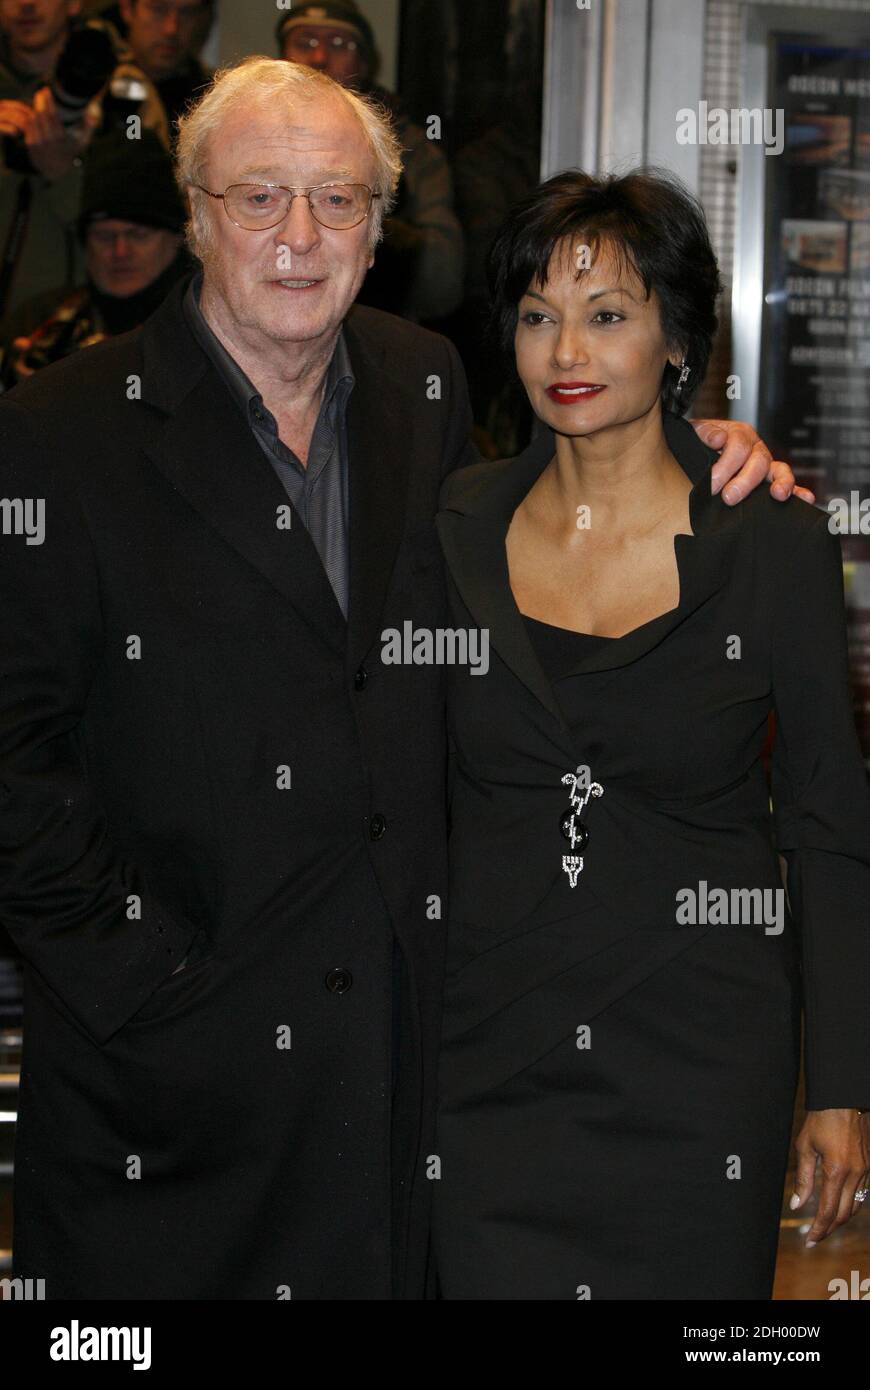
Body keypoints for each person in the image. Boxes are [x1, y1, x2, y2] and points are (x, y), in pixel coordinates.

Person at [0, 56, 804, 1300]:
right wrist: (149, 975)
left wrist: (700, 447)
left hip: (400, 1076)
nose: (300, 238)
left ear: (381, 231)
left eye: (339, 201)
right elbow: (11, 761)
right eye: (260, 198)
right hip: (164, 1095)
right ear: (198, 213)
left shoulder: (421, 387)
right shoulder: (58, 433)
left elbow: (554, 511)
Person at [431, 168, 870, 1300]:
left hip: (698, 1065)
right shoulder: (451, 527)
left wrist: (841, 1084)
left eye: (607, 314)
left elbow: (826, 819)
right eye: (536, 315)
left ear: (680, 339)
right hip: (489, 1055)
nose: (564, 348)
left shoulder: (770, 541)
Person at [277, 0, 464, 324]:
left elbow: (443, 284)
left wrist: (372, 227)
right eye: (305, 42)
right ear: (282, 58)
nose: (319, 58)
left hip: (375, 330)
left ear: (364, 63)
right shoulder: (248, 139)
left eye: (338, 44)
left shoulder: (410, 150)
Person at [0, 0, 168, 317]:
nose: (27, 5)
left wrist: (67, 172)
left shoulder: (126, 91)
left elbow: (147, 221)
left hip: (75, 322)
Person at [1, 126, 190, 385]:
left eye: (138, 235)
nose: (120, 251)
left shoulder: (208, 327)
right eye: (104, 236)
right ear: (85, 242)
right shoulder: (39, 323)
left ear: (177, 239)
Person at [115, 0, 213, 141]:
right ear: (127, 8)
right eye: (158, 9)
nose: (171, 28)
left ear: (204, 18)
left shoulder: (213, 97)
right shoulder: (93, 84)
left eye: (187, 13)